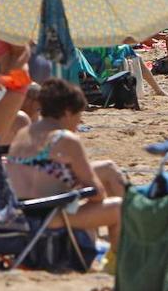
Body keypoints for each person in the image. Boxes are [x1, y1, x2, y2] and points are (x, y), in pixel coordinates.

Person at [6, 79, 124, 255]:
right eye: (79, 115)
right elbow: (97, 195)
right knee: (118, 207)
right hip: (45, 218)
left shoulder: (24, 133)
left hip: (17, 214)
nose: (80, 121)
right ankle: (119, 264)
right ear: (68, 112)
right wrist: (78, 185)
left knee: (104, 170)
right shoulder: (65, 139)